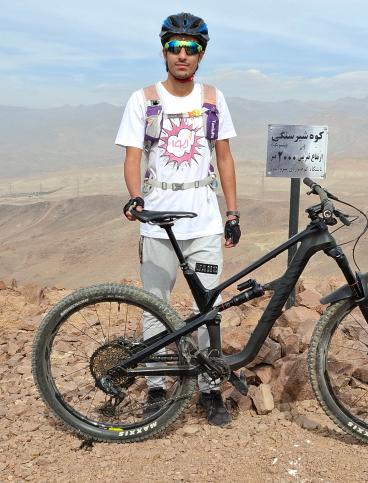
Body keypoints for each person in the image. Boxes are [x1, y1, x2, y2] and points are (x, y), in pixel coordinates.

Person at [115, 12, 241, 427]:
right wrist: (136, 197)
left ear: (201, 54)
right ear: (164, 51)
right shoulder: (144, 99)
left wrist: (232, 212)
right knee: (155, 304)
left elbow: (224, 156)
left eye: (191, 48)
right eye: (174, 47)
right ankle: (156, 386)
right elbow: (132, 157)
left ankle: (209, 388)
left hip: (204, 220)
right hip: (157, 220)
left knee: (209, 307)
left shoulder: (212, 99)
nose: (182, 55)